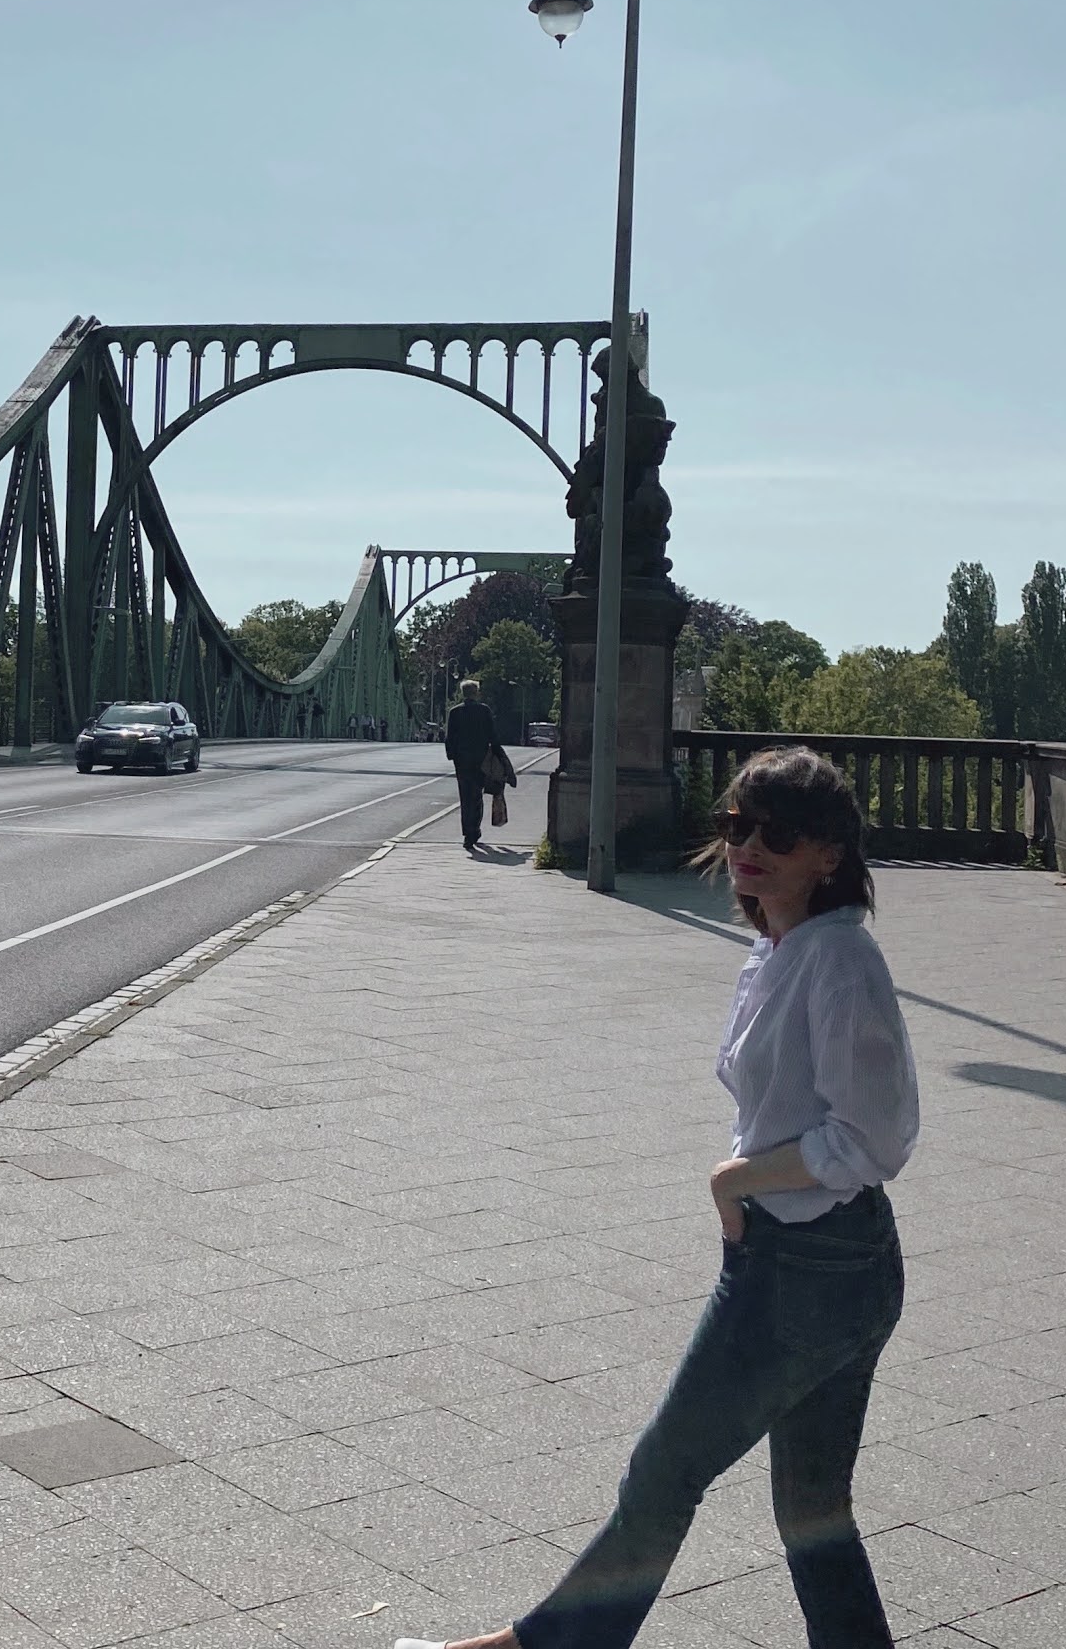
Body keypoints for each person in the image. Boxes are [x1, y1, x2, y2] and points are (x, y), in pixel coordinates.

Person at [400, 746, 919, 1648]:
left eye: (778, 834)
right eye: (737, 825)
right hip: (825, 1262)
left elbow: (874, 1139)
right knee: (812, 1508)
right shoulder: (780, 947)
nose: (748, 847)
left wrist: (736, 1178)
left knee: (664, 1474)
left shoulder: (839, 961)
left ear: (829, 854)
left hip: (811, 1267)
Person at [443, 678, 498, 851]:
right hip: (480, 759)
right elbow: (492, 735)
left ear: (463, 693)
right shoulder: (484, 710)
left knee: (465, 796)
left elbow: (449, 737)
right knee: (477, 796)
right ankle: (475, 829)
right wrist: (496, 755)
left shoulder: (455, 712)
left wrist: (451, 755)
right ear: (476, 693)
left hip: (462, 760)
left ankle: (468, 833)